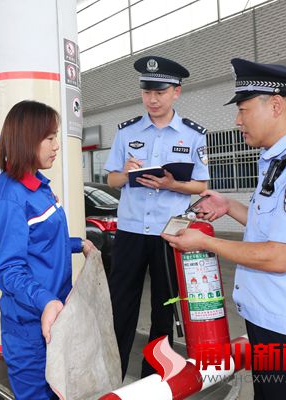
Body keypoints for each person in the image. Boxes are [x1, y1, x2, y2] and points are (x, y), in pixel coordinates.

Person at [163, 58, 286, 399]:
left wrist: (203, 245)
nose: (237, 120)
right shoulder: (280, 160)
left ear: (275, 105)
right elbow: (278, 229)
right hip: (272, 327)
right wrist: (230, 207)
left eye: (243, 109)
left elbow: (279, 256)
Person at [104, 56, 210, 379]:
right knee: (121, 308)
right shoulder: (127, 132)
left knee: (163, 312)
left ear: (176, 92)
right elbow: (111, 180)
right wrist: (124, 173)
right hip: (131, 233)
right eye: (146, 91)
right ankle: (112, 377)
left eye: (160, 92)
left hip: (169, 235)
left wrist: (171, 184)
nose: (152, 99)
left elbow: (201, 185)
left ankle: (155, 380)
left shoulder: (193, 135)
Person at [0, 100, 95, 400]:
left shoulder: (37, 187)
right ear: (26, 139)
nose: (56, 145)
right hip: (30, 328)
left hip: (55, 315)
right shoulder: (10, 198)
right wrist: (45, 301)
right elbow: (9, 270)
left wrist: (78, 244)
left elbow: (42, 239)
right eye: (49, 138)